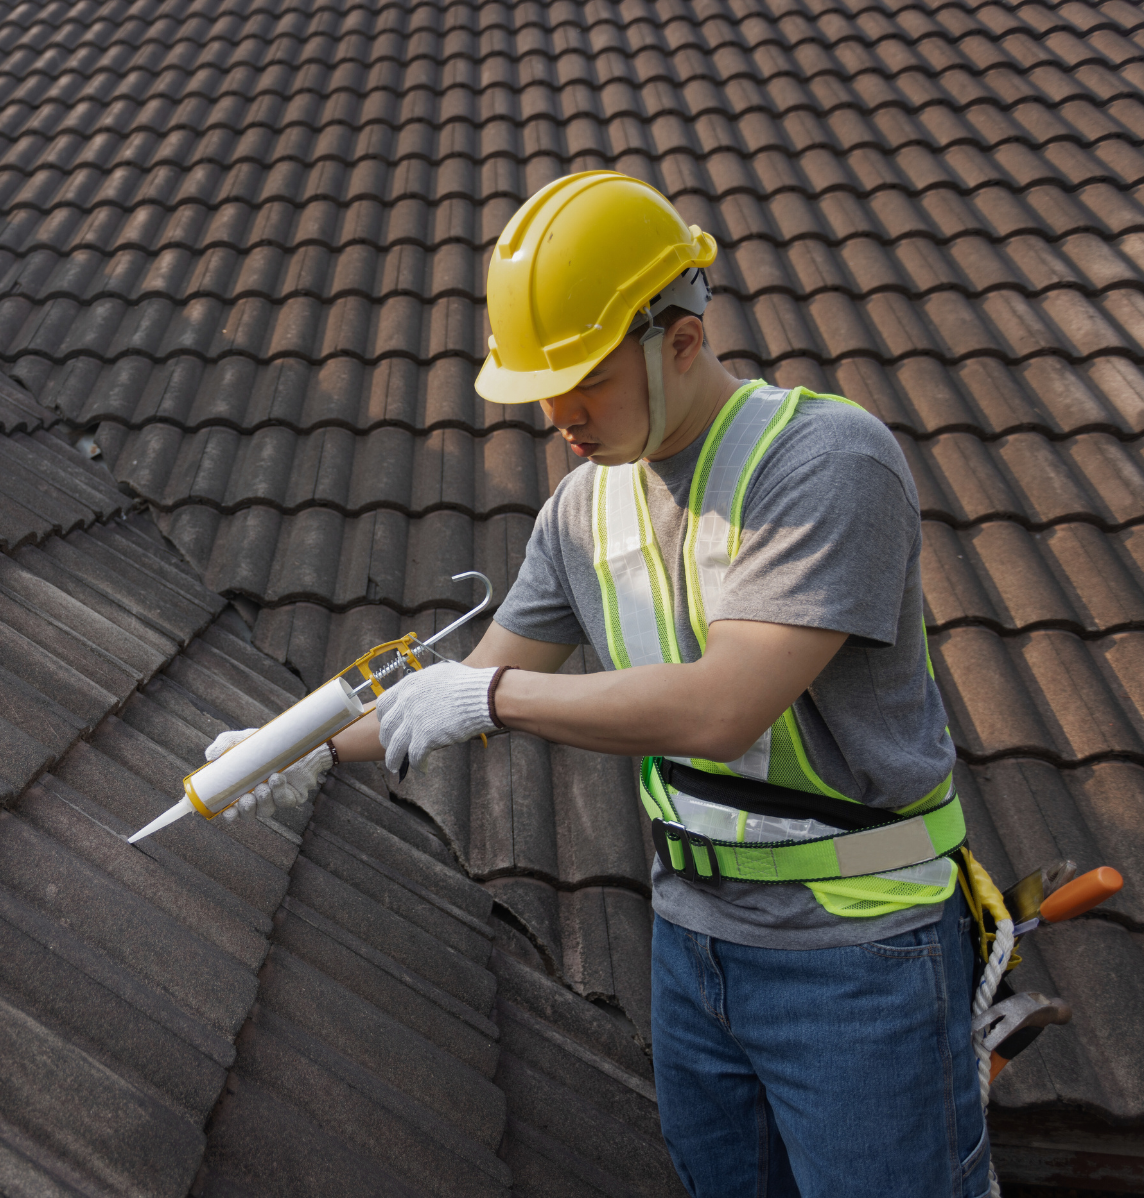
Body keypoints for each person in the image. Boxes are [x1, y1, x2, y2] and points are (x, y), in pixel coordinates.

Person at [210, 172, 988, 1197]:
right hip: (694, 946)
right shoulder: (581, 511)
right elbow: (466, 683)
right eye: (544, 386)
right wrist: (291, 750)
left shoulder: (826, 462)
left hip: (860, 956)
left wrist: (485, 701)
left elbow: (721, 706)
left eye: (586, 379)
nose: (560, 415)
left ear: (681, 336)